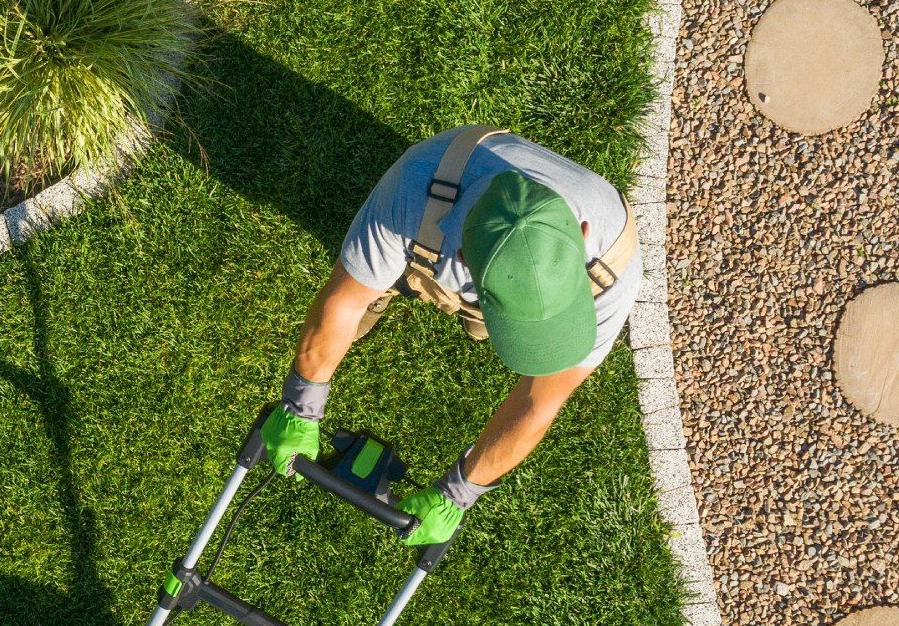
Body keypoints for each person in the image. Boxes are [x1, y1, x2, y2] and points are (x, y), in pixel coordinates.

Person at [260, 125, 640, 545]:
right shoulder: (413, 190)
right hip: (433, 226)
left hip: (468, 259)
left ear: (582, 234)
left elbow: (539, 402)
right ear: (463, 261)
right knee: (373, 281)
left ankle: (476, 311)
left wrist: (459, 494)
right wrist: (302, 403)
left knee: (483, 329)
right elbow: (342, 304)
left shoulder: (614, 265)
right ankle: (401, 278)